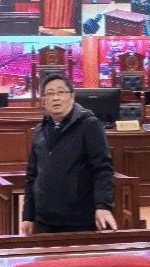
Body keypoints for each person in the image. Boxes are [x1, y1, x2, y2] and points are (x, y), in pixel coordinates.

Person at [20, 73, 117, 235]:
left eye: (61, 92)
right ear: (44, 101)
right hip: (44, 220)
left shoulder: (89, 125)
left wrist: (103, 206)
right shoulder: (39, 131)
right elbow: (32, 175)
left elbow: (103, 169)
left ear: (72, 97)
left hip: (79, 221)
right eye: (50, 93)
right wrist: (28, 215)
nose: (55, 98)